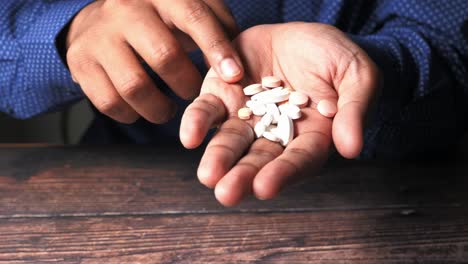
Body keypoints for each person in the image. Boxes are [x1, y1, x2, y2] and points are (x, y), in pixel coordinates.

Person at [1, 1, 467, 206]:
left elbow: (449, 40)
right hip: (125, 175)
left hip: (400, 183)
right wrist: (69, 30)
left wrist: (377, 69)